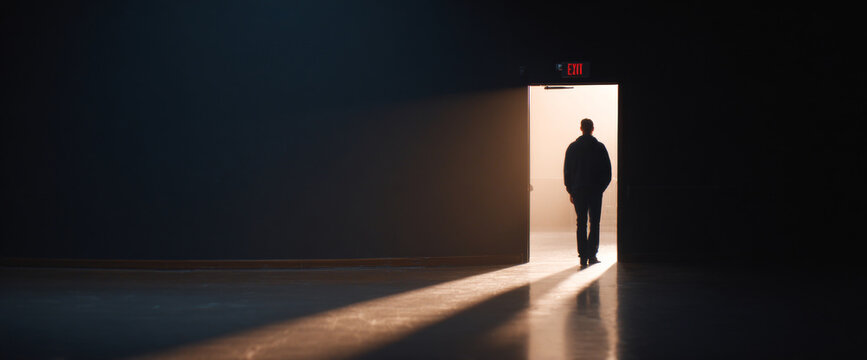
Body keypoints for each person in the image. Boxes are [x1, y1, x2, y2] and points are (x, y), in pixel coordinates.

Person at [564, 118, 612, 266]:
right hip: (595, 191)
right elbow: (607, 172)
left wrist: (570, 190)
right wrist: (600, 188)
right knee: (595, 223)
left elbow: (567, 171)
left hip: (578, 190)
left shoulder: (572, 148)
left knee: (581, 223)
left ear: (581, 128)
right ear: (592, 129)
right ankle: (592, 255)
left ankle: (583, 256)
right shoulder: (599, 147)